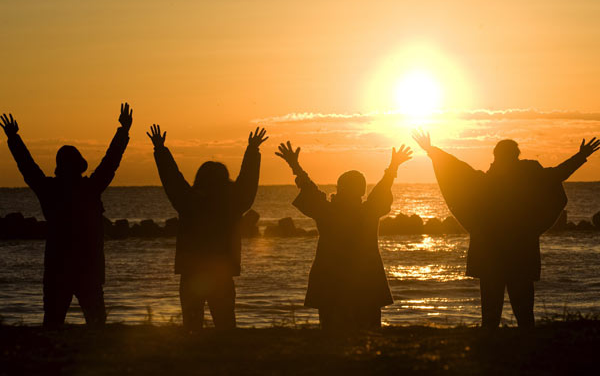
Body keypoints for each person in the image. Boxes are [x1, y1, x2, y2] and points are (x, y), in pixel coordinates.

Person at [412, 131, 600, 329]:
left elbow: (456, 169)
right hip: (521, 250)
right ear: (516, 156)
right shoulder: (529, 178)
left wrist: (432, 151)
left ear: (496, 157)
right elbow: (558, 174)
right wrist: (581, 156)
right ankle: (524, 347)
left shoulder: (486, 182)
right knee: (524, 311)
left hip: (490, 252)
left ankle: (492, 347)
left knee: (493, 313)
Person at [0, 104, 132, 328]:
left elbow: (27, 166)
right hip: (86, 268)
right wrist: (123, 130)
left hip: (59, 268)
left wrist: (14, 138)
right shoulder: (89, 188)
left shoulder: (50, 190)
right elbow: (111, 162)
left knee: (54, 323)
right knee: (96, 324)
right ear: (80, 166)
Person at [276, 141, 412, 330]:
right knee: (369, 330)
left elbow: (308, 189)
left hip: (331, 280)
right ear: (362, 191)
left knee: (331, 333)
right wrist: (393, 168)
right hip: (366, 281)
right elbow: (381, 190)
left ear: (339, 188)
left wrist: (295, 166)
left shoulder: (327, 210)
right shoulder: (368, 211)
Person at [147, 124, 267, 331]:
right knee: (226, 324)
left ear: (199, 179)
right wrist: (252, 150)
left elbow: (171, 178)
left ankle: (195, 357)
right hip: (222, 272)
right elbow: (248, 181)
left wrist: (160, 150)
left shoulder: (188, 200)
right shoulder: (232, 202)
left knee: (192, 326)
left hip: (192, 271)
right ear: (225, 179)